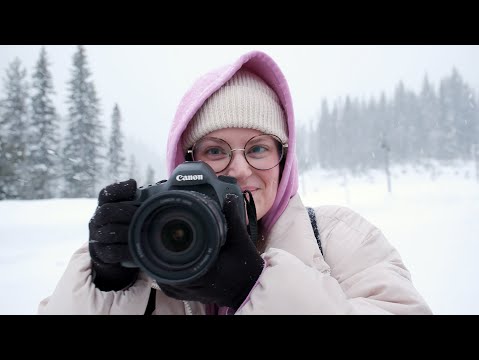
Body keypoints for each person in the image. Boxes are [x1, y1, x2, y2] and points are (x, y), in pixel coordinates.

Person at [38, 50, 432, 315]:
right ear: (185, 160)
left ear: (284, 159)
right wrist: (106, 287)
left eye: (258, 148)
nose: (240, 169)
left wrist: (255, 287)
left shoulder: (338, 238)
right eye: (215, 150)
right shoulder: (142, 248)